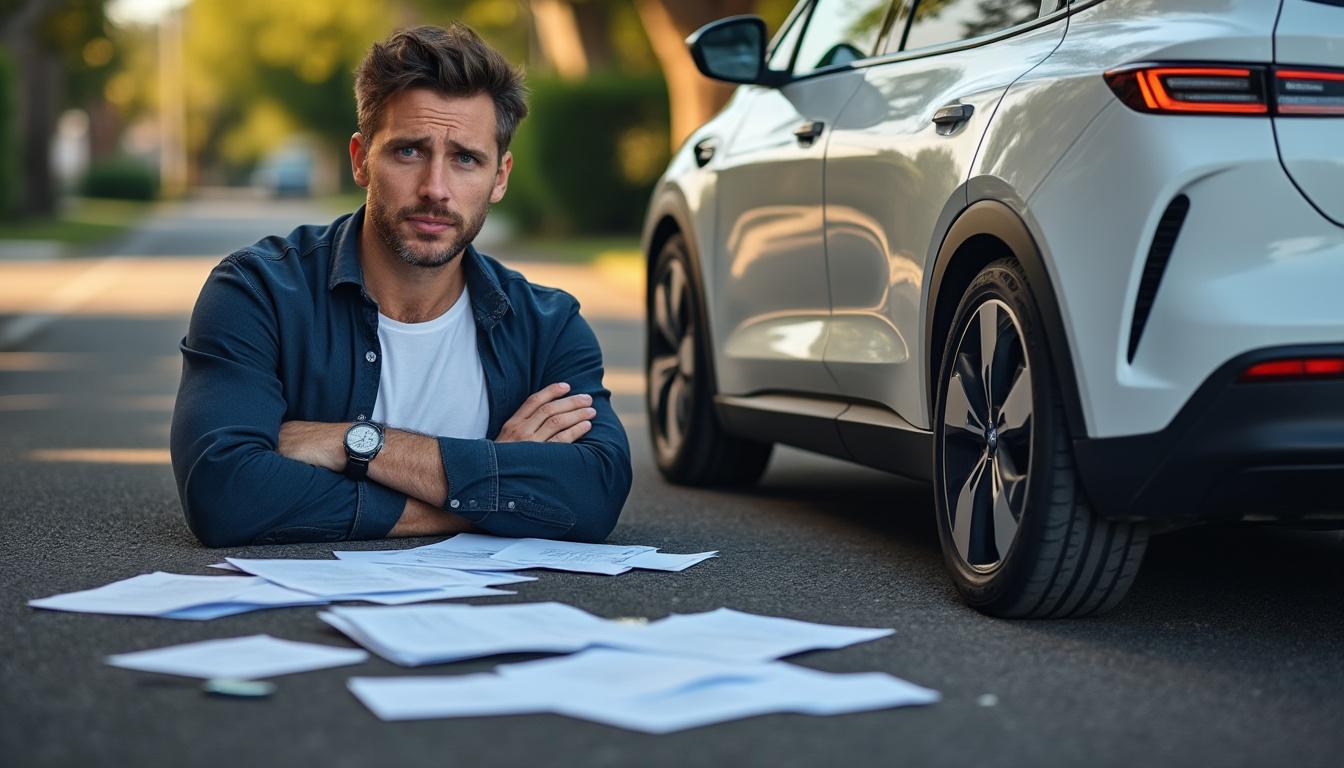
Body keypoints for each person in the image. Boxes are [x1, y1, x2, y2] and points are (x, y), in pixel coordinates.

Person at [169, 23, 631, 548]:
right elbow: (224, 492)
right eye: (409, 151)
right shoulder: (257, 293)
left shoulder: (548, 327)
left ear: (500, 177)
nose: (436, 189)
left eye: (465, 159)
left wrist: (354, 443)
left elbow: (596, 494)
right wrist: (491, 489)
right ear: (361, 159)